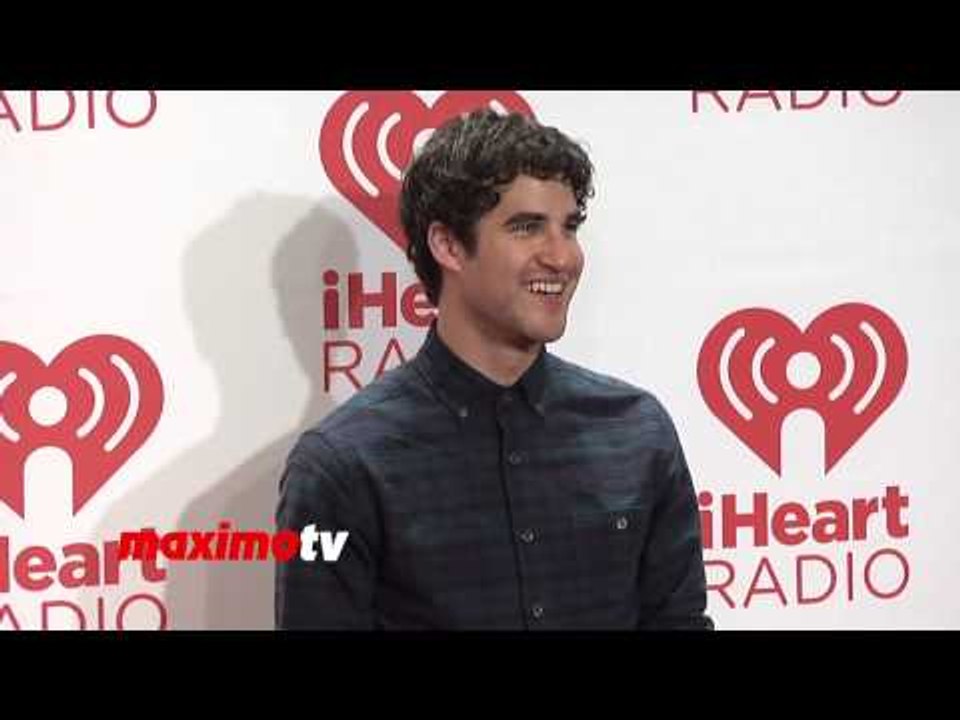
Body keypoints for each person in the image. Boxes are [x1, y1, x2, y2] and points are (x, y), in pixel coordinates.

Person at [275, 108, 713, 629]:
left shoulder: (636, 431)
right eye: (527, 227)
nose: (562, 257)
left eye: (569, 227)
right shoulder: (343, 467)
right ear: (448, 245)